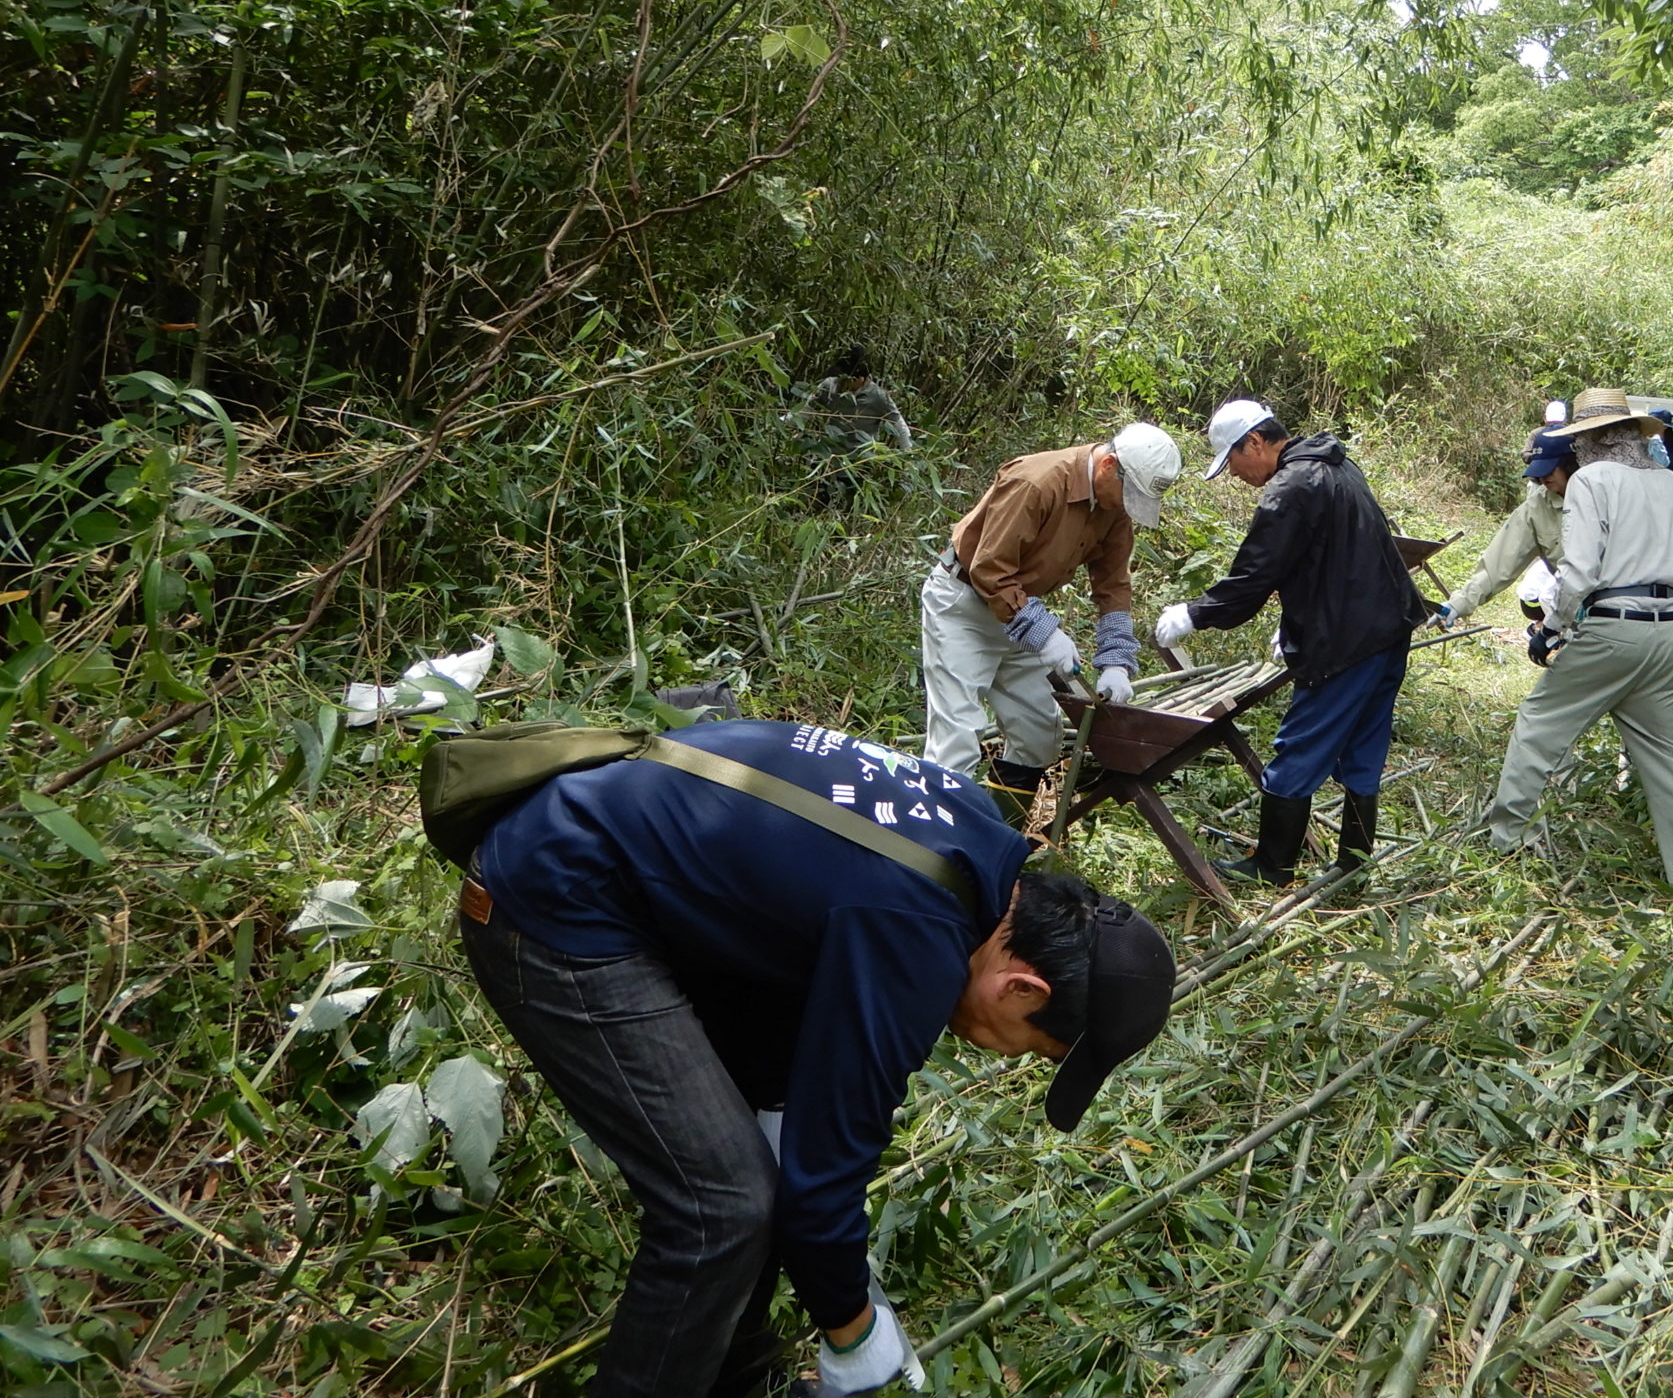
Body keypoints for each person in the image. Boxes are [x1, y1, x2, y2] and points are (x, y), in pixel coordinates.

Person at [462, 715, 1177, 1398]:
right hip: (555, 901)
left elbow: (798, 946)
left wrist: (780, 1127)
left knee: (761, 1173)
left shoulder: (976, 836)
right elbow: (824, 1182)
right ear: (1022, 988)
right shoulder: (915, 934)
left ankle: (730, 1379)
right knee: (721, 1209)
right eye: (1036, 1049)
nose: (1012, 1056)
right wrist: (855, 1333)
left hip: (625, 870)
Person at [1155, 400, 1431, 883]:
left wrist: (1196, 613)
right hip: (1389, 627)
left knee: (1299, 748)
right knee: (1364, 748)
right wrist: (1295, 618)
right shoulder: (1337, 466)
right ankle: (1354, 867)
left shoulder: (1292, 486)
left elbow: (1256, 572)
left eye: (1232, 461)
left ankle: (1271, 868)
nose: (1234, 474)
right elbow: (1334, 557)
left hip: (1346, 641)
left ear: (1254, 442)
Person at [1483, 387, 1673, 885]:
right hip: (1672, 636)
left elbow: (1580, 572)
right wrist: (1667, 617)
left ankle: (1510, 845)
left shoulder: (1591, 480)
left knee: (1538, 724)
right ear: (1633, 435)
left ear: (1592, 438)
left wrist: (1551, 628)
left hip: (1613, 627)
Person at [922, 424, 1184, 827]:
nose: (1126, 506)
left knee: (1038, 736)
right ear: (1109, 465)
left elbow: (1113, 584)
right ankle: (928, 842)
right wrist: (1043, 632)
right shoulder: (1036, 482)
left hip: (1020, 611)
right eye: (1129, 494)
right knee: (957, 737)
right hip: (965, 606)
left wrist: (1116, 659)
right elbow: (989, 568)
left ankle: (994, 837)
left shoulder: (1114, 505)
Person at [1435, 425, 1575, 626]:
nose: (1544, 477)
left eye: (1551, 469)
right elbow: (1500, 563)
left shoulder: (1601, 496)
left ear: (1569, 464)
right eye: (1540, 471)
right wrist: (1458, 604)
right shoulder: (1536, 509)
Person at [808, 345, 914, 453]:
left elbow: (899, 425)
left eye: (853, 379)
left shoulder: (877, 396)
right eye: (844, 378)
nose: (848, 383)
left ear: (863, 378)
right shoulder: (829, 386)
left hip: (861, 455)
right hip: (830, 451)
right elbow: (806, 409)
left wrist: (907, 453)